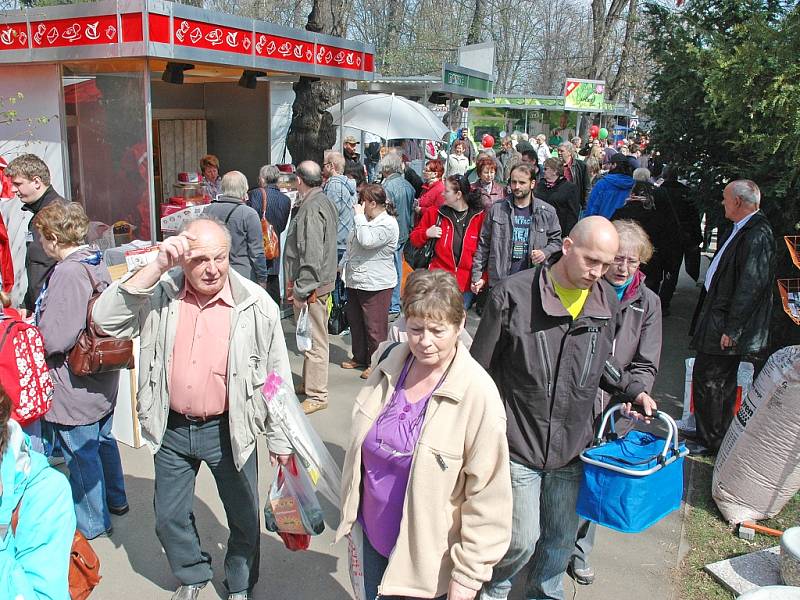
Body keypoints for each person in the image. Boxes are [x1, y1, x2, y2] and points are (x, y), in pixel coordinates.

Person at [92, 216, 293, 600]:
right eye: (200, 260)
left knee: (244, 519)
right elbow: (105, 321)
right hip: (171, 428)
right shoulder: (161, 294)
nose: (213, 269)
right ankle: (193, 573)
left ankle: (239, 583)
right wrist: (155, 266)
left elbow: (276, 377)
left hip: (230, 430)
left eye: (220, 258)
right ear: (182, 259)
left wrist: (280, 438)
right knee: (168, 516)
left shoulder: (256, 304)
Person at [471, 216, 656, 600]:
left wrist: (633, 390)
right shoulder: (513, 295)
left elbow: (603, 363)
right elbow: (479, 371)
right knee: (521, 539)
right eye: (592, 261)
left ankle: (544, 593)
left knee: (559, 540)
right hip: (519, 442)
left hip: (573, 447)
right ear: (567, 248)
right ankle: (493, 589)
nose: (600, 272)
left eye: (606, 265)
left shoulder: (604, 299)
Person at [336, 269, 513, 600]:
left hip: (427, 566)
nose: (425, 341)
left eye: (437, 330)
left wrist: (468, 576)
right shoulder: (390, 361)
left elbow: (488, 498)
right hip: (372, 540)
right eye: (416, 329)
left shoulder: (478, 395)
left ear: (460, 327)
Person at [570, 219, 662, 585]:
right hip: (577, 397)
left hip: (615, 409)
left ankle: (578, 552)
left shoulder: (648, 302)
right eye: (617, 259)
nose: (623, 268)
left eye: (633, 261)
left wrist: (636, 394)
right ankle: (549, 544)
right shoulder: (587, 289)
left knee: (595, 483)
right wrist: (628, 386)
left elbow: (646, 359)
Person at [33, 201, 128, 540]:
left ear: (54, 238)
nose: (41, 245)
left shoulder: (68, 272)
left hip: (75, 380)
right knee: (102, 439)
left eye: (42, 238)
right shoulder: (95, 258)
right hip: (100, 373)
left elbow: (56, 336)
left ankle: (92, 521)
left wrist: (34, 336)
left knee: (81, 451)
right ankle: (115, 499)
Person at [688, 180, 775, 456]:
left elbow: (752, 285)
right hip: (719, 316)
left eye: (725, 198)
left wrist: (733, 328)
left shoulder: (756, 234)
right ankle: (712, 433)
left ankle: (711, 439)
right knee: (714, 379)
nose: (722, 203)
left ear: (738, 201)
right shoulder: (741, 229)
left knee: (712, 379)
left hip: (726, 323)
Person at [0, 382, 76, 600]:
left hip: (55, 403)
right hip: (36, 400)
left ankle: (97, 520)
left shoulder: (45, 493)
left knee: (86, 454)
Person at [284, 161, 338, 415]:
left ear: (299, 180)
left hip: (313, 286)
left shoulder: (312, 206)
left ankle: (317, 394)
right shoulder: (320, 200)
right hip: (317, 283)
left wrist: (302, 290)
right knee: (309, 338)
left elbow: (312, 253)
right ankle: (311, 384)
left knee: (315, 340)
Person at [470, 164, 562, 294]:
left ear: (532, 183)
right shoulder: (497, 209)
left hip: (531, 283)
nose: (516, 186)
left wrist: (545, 252)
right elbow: (483, 244)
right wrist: (477, 275)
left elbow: (557, 242)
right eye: (513, 182)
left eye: (522, 182)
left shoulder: (547, 212)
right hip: (500, 281)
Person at [340, 184, 399, 379]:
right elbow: (352, 244)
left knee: (375, 326)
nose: (359, 205)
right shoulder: (365, 220)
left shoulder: (388, 224)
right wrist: (341, 266)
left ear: (372, 203)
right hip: (355, 279)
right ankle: (359, 356)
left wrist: (358, 217)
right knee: (355, 321)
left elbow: (367, 241)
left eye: (362, 201)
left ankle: (377, 363)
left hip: (376, 282)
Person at [409, 175, 486, 308]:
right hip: (438, 281)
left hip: (465, 285)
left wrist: (483, 278)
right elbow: (414, 239)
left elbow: (485, 251)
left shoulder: (479, 217)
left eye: (446, 191)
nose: (442, 194)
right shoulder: (435, 213)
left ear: (458, 194)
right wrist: (426, 233)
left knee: (456, 325)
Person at [6, 153, 65, 314]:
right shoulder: (39, 214)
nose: (13, 190)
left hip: (56, 311)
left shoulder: (59, 214)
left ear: (37, 182)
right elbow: (37, 266)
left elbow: (72, 264)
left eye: (18, 184)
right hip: (40, 309)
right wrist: (27, 304)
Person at [611, 168, 680, 296]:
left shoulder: (620, 213)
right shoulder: (659, 215)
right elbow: (667, 240)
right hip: (652, 265)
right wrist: (668, 265)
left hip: (622, 263)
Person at [204, 171, 268, 288]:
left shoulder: (208, 210)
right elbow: (257, 252)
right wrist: (262, 278)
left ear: (223, 187)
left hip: (214, 273)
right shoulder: (249, 214)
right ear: (244, 188)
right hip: (243, 275)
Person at [654, 165, 702, 314]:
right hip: (679, 239)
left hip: (659, 237)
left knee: (656, 270)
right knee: (672, 271)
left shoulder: (656, 193)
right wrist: (696, 237)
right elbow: (695, 218)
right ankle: (664, 302)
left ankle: (653, 301)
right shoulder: (686, 193)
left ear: (664, 175)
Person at [247, 164, 292, 305]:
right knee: (273, 284)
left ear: (262, 179)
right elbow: (282, 226)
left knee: (256, 287)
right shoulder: (286, 200)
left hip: (256, 248)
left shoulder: (255, 194)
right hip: (273, 247)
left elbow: (250, 222)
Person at [381, 152, 416, 317]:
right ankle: (395, 302)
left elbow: (386, 213)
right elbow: (410, 210)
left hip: (392, 233)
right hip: (404, 231)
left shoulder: (387, 187)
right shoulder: (408, 186)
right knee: (398, 267)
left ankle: (393, 304)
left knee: (391, 268)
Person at [323, 150, 357, 307]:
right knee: (343, 280)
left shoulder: (334, 186)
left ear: (331, 166)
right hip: (347, 238)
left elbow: (330, 215)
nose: (322, 168)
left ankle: (337, 317)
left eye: (324, 165)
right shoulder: (347, 184)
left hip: (337, 240)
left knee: (335, 281)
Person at [535, 157, 581, 236]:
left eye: (546, 169)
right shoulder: (540, 185)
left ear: (554, 171)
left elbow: (573, 214)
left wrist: (567, 235)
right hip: (540, 230)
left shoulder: (570, 188)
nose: (543, 171)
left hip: (559, 231)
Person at [584, 153, 635, 218]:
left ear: (614, 165)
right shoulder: (633, 185)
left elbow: (592, 208)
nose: (608, 166)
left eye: (610, 164)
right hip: (622, 225)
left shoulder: (602, 184)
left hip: (603, 224)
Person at [557, 142, 591, 208]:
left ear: (569, 152)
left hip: (575, 203)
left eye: (562, 151)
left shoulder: (581, 166)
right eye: (558, 151)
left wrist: (585, 206)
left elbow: (587, 187)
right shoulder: (555, 165)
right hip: (559, 203)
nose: (559, 153)